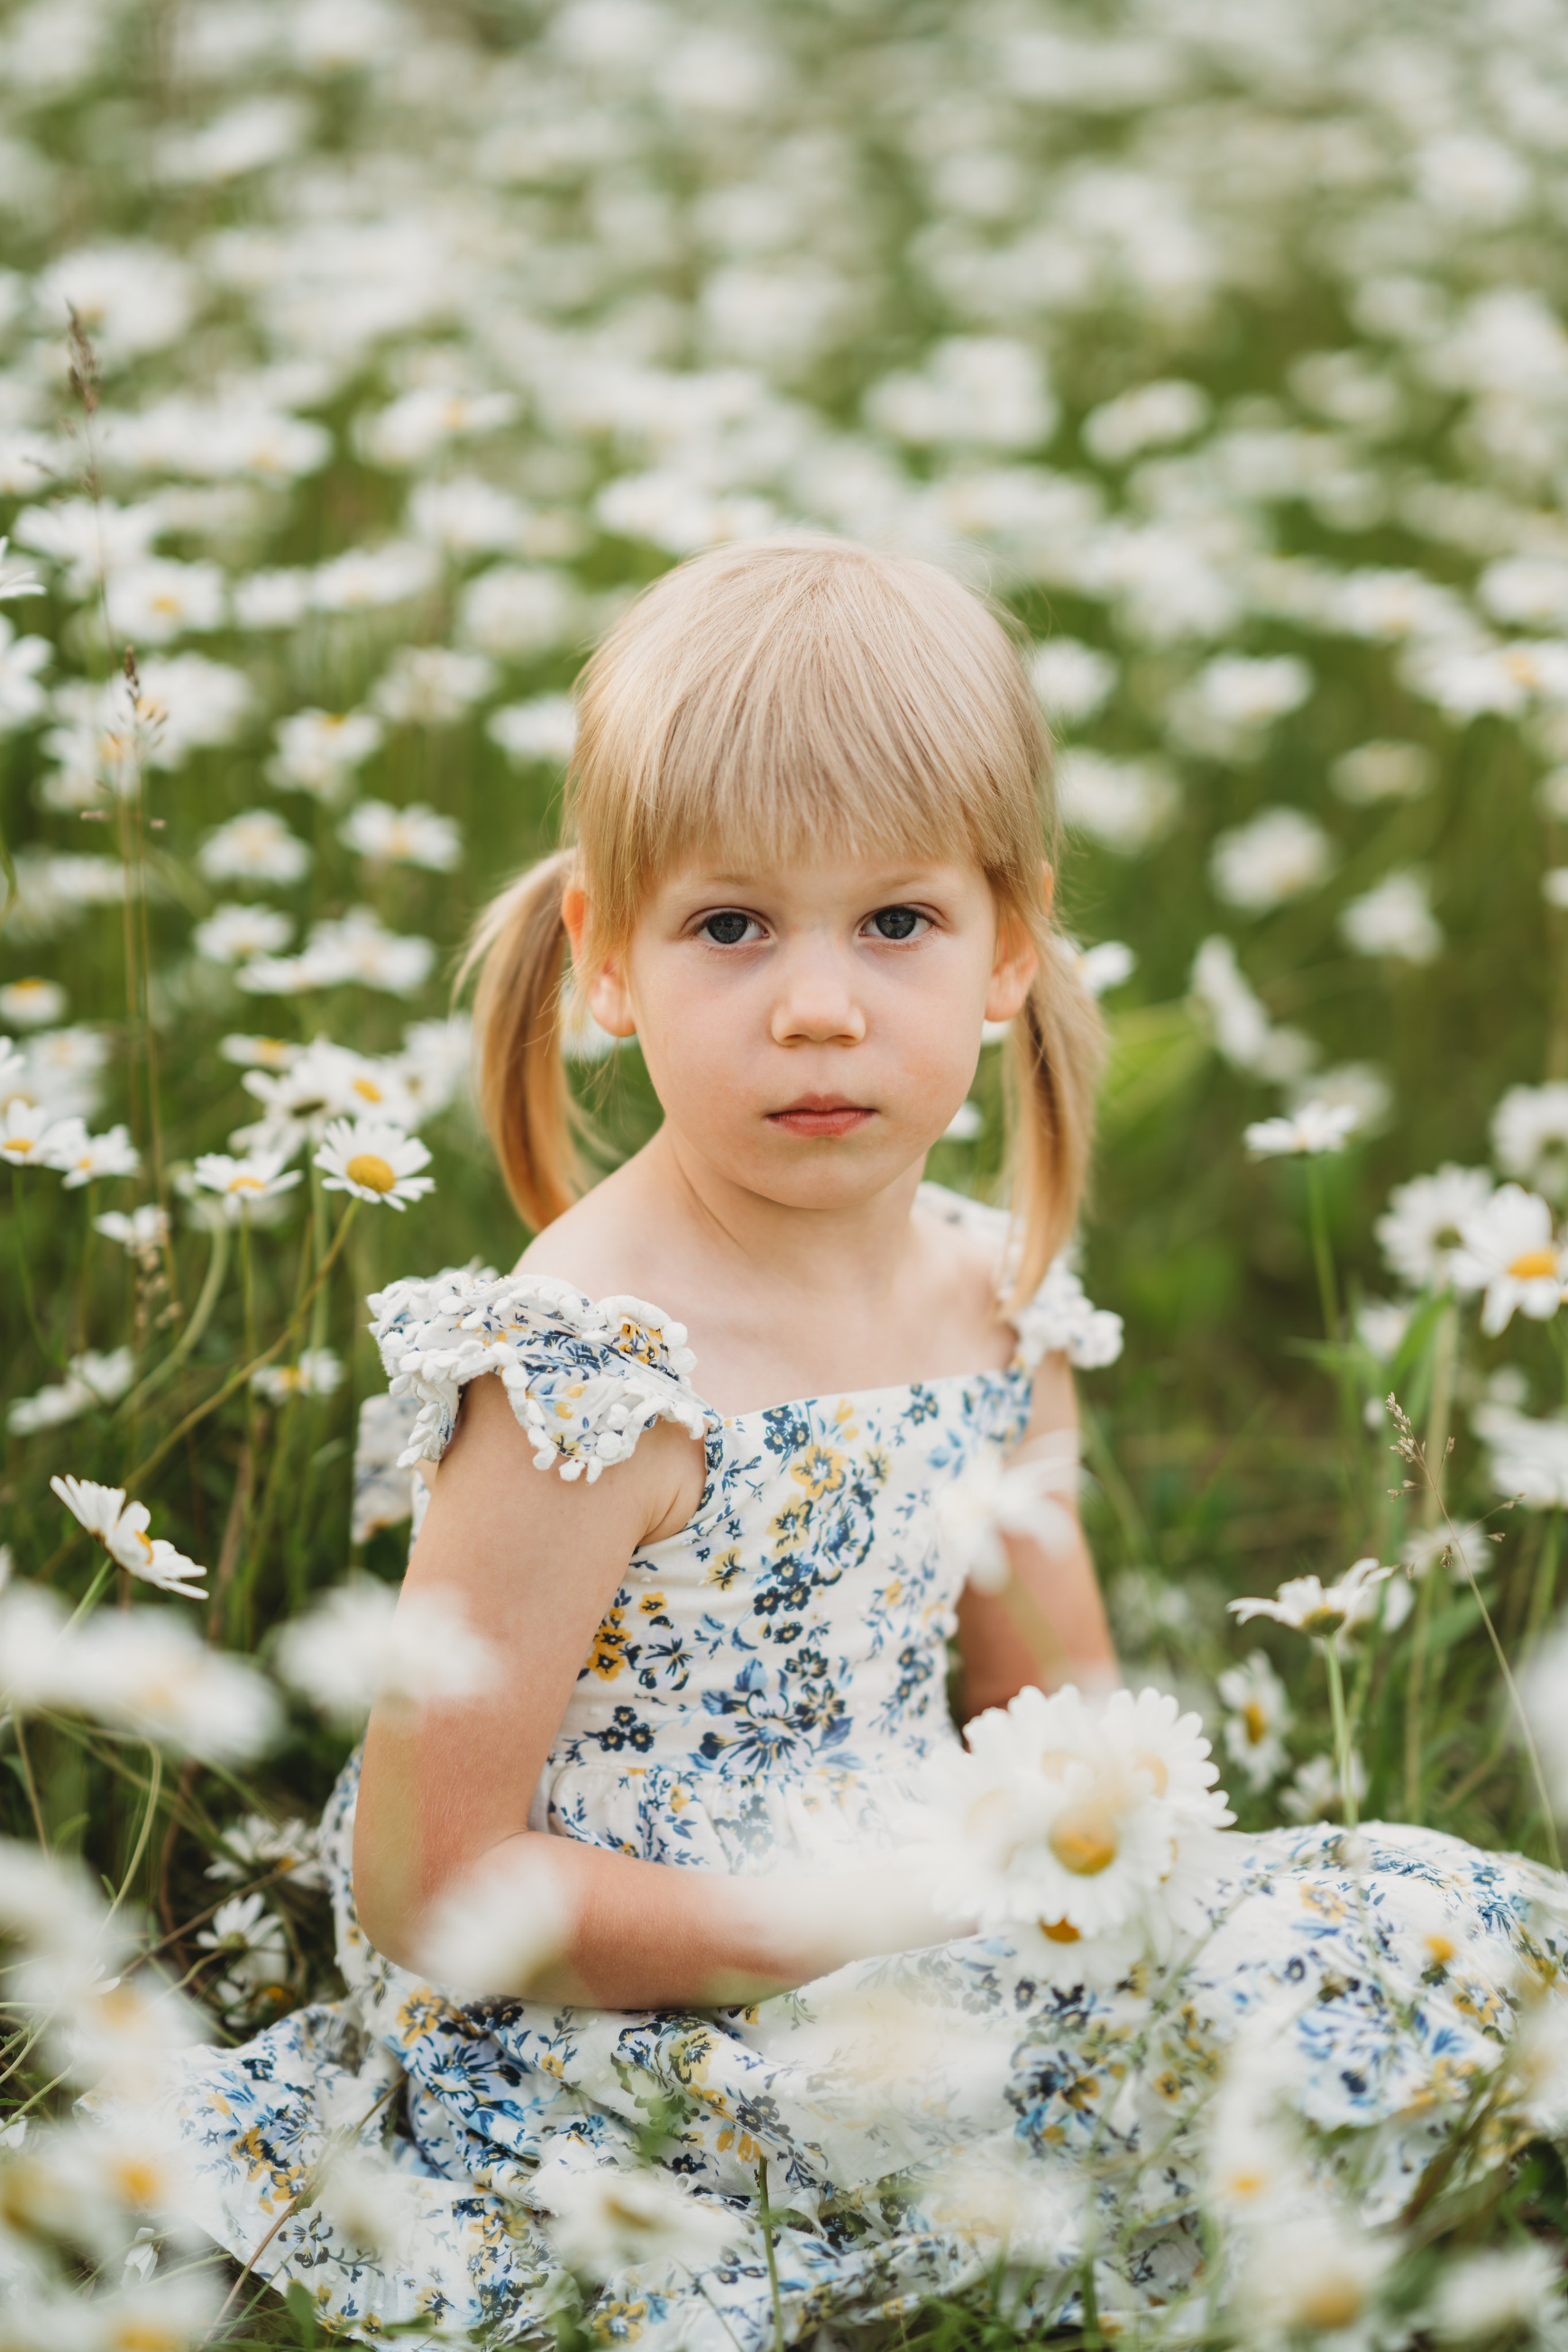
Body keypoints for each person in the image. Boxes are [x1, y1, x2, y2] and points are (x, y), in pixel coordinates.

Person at [168, 539, 1567, 2348]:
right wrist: (852, 1918)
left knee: (1418, 1924)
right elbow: (435, 1885)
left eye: (894, 923)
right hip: (631, 2018)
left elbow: (1047, 1716)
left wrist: (1084, 1888)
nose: (818, 1003)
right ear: (606, 957)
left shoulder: (995, 1303)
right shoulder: (594, 1372)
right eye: (731, 924)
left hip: (918, 1911)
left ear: (1007, 951)